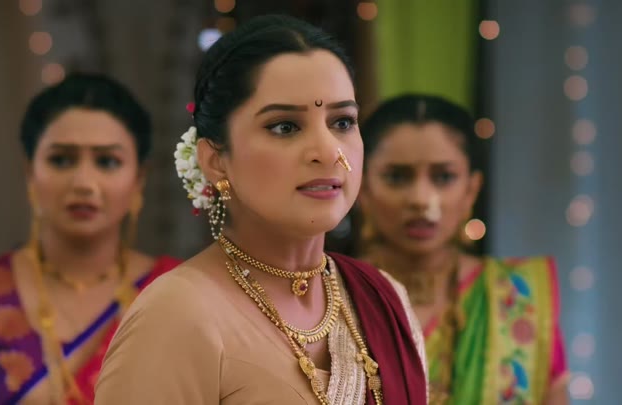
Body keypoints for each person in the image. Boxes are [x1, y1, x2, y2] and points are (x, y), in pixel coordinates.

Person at [95, 15, 428, 405]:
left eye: (342, 122)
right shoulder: (176, 316)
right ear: (216, 160)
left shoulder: (384, 300)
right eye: (285, 126)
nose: (328, 152)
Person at [0, 73, 181, 404]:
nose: (83, 182)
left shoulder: (178, 293)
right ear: (30, 171)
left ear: (139, 178)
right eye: (61, 159)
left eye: (107, 161)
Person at [357, 94, 569, 404]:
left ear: (471, 189)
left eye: (444, 177)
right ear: (363, 188)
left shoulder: (519, 296)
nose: (420, 199)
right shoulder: (330, 297)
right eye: (397, 177)